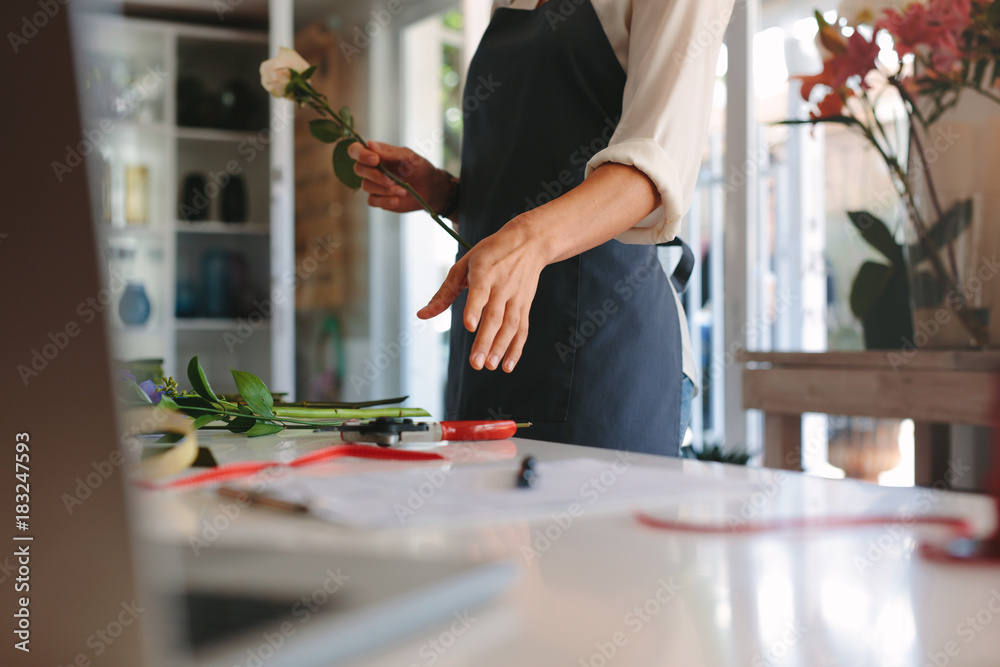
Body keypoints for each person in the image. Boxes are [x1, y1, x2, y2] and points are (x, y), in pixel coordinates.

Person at [349, 0, 731, 456]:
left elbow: (652, 170)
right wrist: (446, 192)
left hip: (603, 352)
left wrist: (529, 238)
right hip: (487, 350)